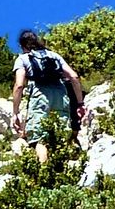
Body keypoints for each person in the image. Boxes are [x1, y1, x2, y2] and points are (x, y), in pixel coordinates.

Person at [10, 30, 87, 162]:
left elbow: (19, 85)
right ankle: (68, 174)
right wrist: (80, 104)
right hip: (61, 96)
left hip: (40, 98)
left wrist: (15, 112)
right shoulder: (54, 56)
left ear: (22, 46)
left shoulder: (23, 59)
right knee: (62, 137)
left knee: (39, 140)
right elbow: (73, 76)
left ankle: (44, 176)